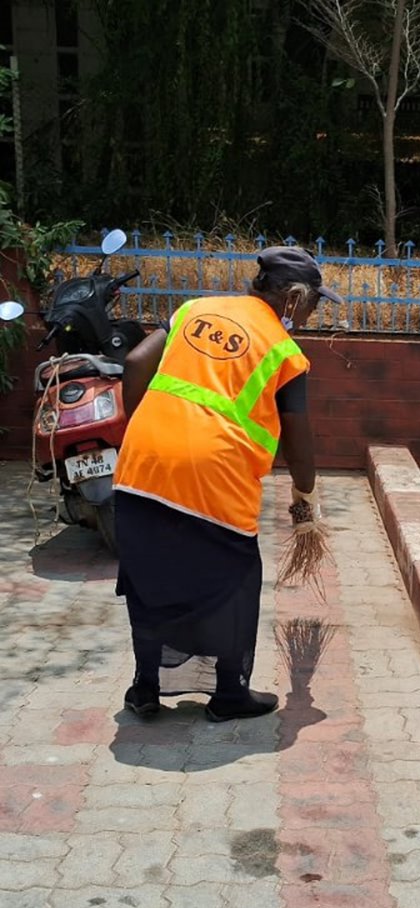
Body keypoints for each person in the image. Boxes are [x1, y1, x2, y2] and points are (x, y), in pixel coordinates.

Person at [112, 246, 343, 721]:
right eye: (316, 302)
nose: (315, 312)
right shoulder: (282, 348)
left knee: (150, 574)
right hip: (214, 476)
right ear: (293, 299)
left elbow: (135, 363)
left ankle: (146, 689)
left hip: (142, 462)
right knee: (233, 583)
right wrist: (306, 498)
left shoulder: (194, 309)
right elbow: (297, 432)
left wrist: (150, 430)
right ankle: (229, 695)